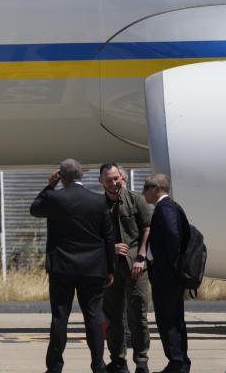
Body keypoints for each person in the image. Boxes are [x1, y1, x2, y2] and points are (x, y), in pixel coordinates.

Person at [30, 159, 114, 373]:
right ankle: (98, 364)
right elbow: (108, 237)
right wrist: (110, 268)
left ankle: (55, 366)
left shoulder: (55, 198)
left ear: (61, 176)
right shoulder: (98, 201)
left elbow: (35, 209)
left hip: (62, 267)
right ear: (82, 175)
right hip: (93, 267)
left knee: (60, 317)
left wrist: (49, 186)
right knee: (94, 317)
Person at [97, 163, 152, 373]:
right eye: (109, 180)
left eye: (116, 178)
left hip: (135, 266)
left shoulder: (136, 200)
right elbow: (92, 235)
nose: (113, 183)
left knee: (138, 314)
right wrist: (110, 248)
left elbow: (147, 228)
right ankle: (119, 361)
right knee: (112, 317)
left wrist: (141, 256)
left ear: (122, 177)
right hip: (109, 268)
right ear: (101, 181)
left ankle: (141, 361)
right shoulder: (97, 204)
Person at [143, 173, 190, 373]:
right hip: (169, 275)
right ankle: (180, 361)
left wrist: (170, 269)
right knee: (174, 319)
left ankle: (176, 362)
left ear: (157, 189)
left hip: (167, 277)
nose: (143, 191)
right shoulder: (169, 207)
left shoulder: (165, 209)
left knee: (168, 319)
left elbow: (173, 238)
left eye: (146, 187)